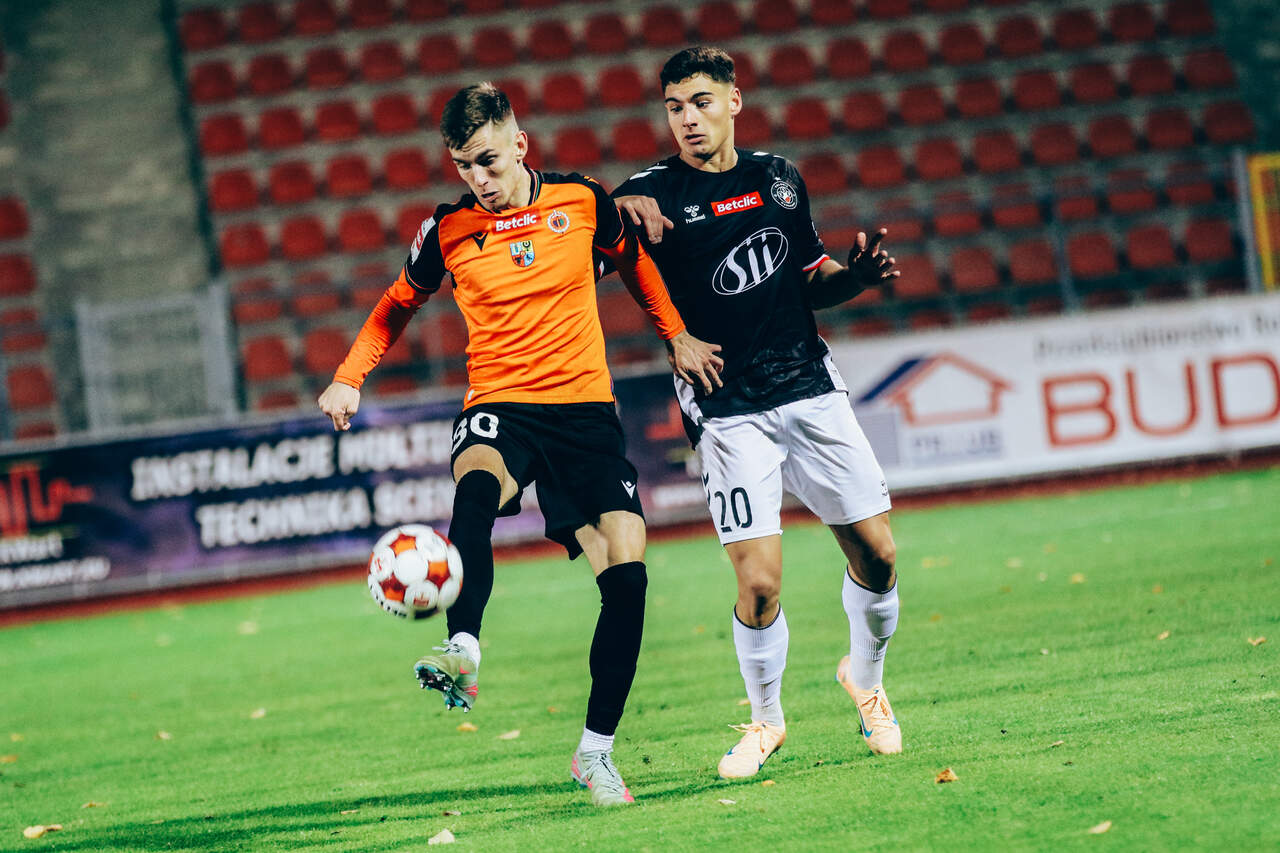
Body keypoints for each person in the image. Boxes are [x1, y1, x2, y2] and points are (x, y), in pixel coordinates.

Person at [318, 83, 722, 806]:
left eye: (490, 161)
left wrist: (677, 334)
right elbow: (395, 304)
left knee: (627, 578)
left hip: (585, 412)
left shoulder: (583, 200)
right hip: (501, 404)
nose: (479, 178)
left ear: (520, 145)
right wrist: (350, 377)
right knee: (475, 488)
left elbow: (634, 263)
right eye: (464, 166)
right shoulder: (447, 230)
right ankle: (463, 647)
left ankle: (595, 753)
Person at [611, 46, 902, 779]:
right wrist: (612, 208)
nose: (688, 119)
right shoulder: (652, 193)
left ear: (735, 101)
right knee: (760, 582)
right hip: (726, 405)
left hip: (808, 384)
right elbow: (588, 221)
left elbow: (811, 277)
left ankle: (865, 681)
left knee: (878, 554)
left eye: (701, 102)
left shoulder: (778, 179)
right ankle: (767, 720)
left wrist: (855, 279)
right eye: (675, 107)